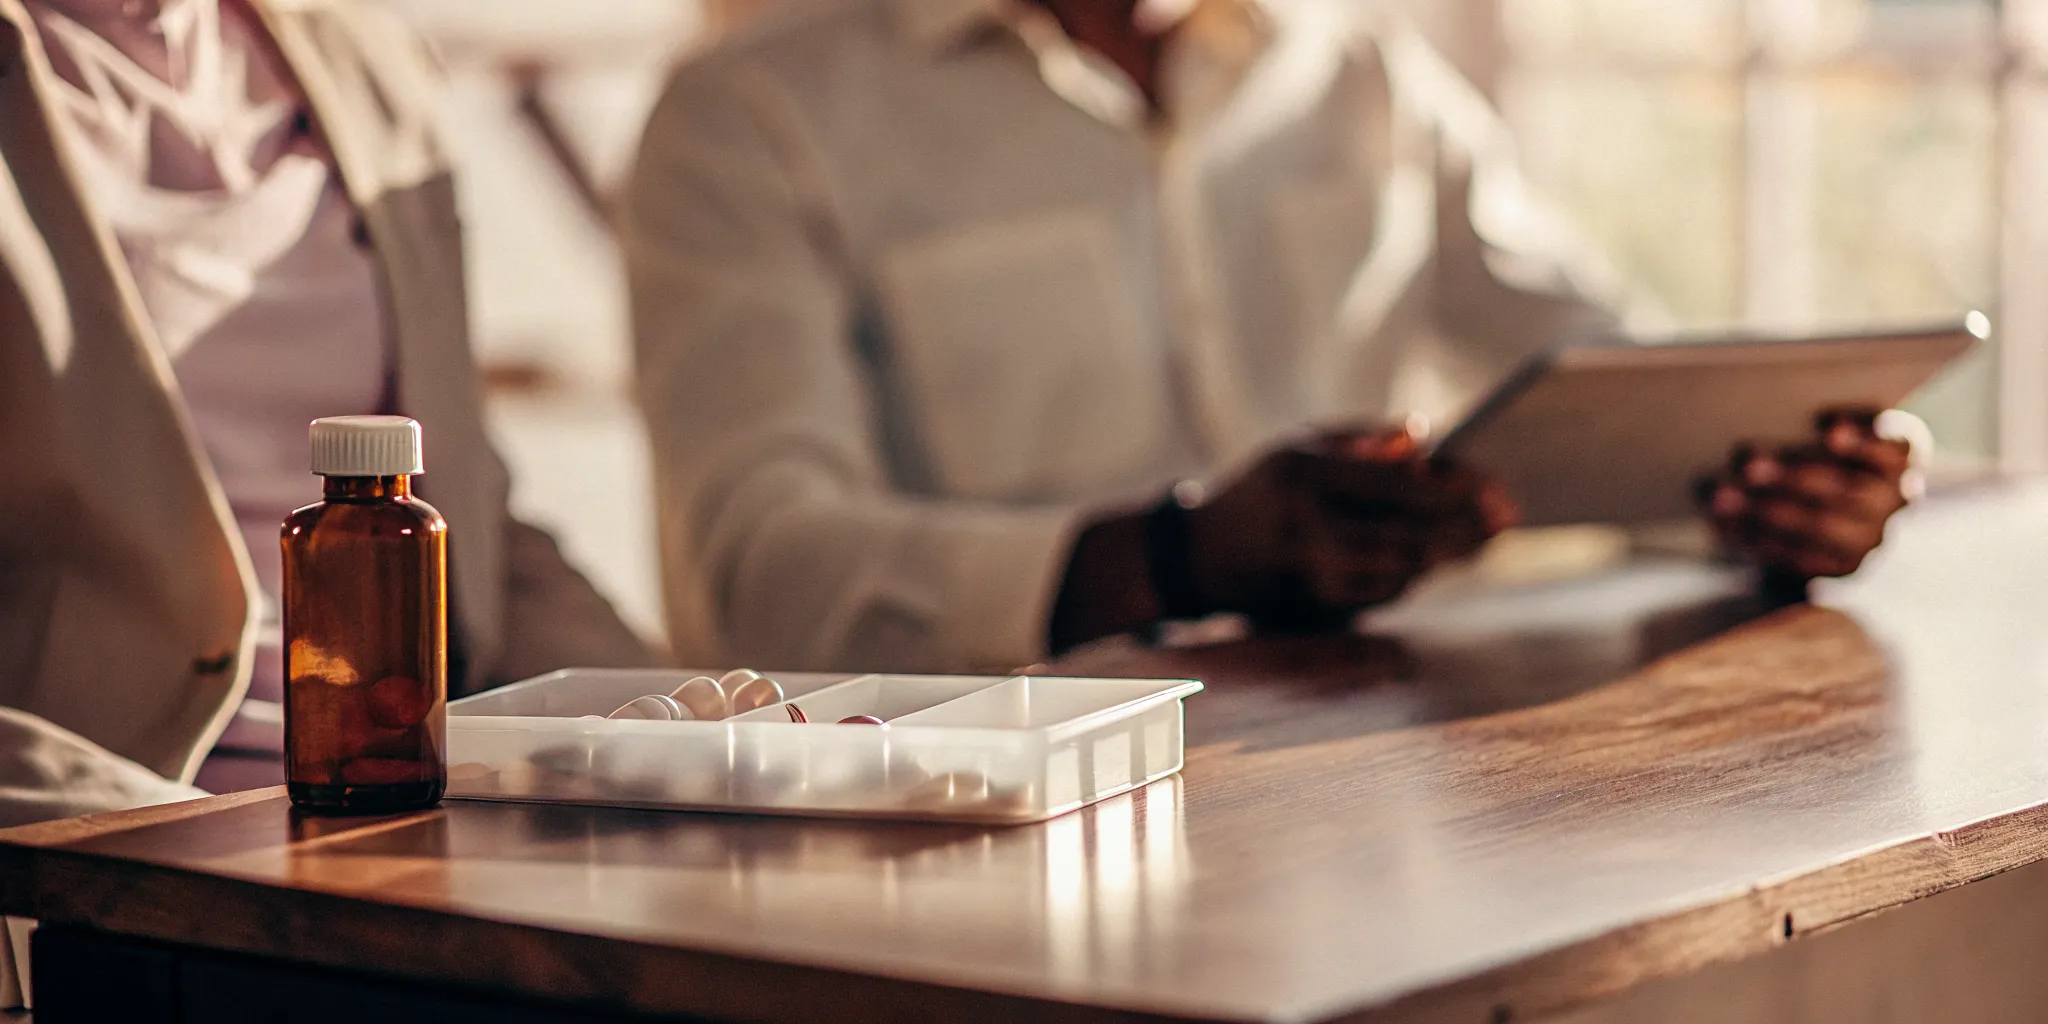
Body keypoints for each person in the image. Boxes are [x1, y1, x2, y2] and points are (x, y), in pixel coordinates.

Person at [623, 0, 1912, 674]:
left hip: (1364, 800)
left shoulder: (1359, 73)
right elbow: (758, 569)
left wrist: (1765, 481)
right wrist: (1174, 558)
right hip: (973, 836)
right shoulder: (751, 114)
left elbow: (1590, 375)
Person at [0, 0, 653, 820]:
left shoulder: (360, 55)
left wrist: (677, 711)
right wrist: (152, 839)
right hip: (111, 848)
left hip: (412, 798)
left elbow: (472, 523)